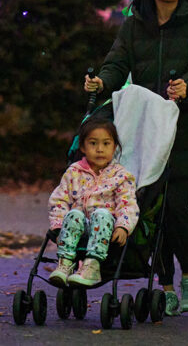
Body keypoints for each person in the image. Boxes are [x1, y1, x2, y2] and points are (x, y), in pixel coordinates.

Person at [84, 0, 188, 316]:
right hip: (141, 129)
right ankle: (165, 285)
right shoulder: (134, 23)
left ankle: (187, 275)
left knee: (174, 207)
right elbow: (116, 64)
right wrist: (101, 83)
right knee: (145, 208)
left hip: (181, 129)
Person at [46, 119, 139, 287]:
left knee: (102, 213)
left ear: (115, 147)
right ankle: (66, 263)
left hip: (105, 229)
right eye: (93, 143)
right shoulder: (74, 172)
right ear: (82, 147)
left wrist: (123, 226)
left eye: (106, 143)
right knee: (73, 214)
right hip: (79, 228)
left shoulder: (120, 176)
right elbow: (59, 199)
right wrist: (59, 226)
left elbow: (128, 204)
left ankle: (92, 266)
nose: (100, 149)